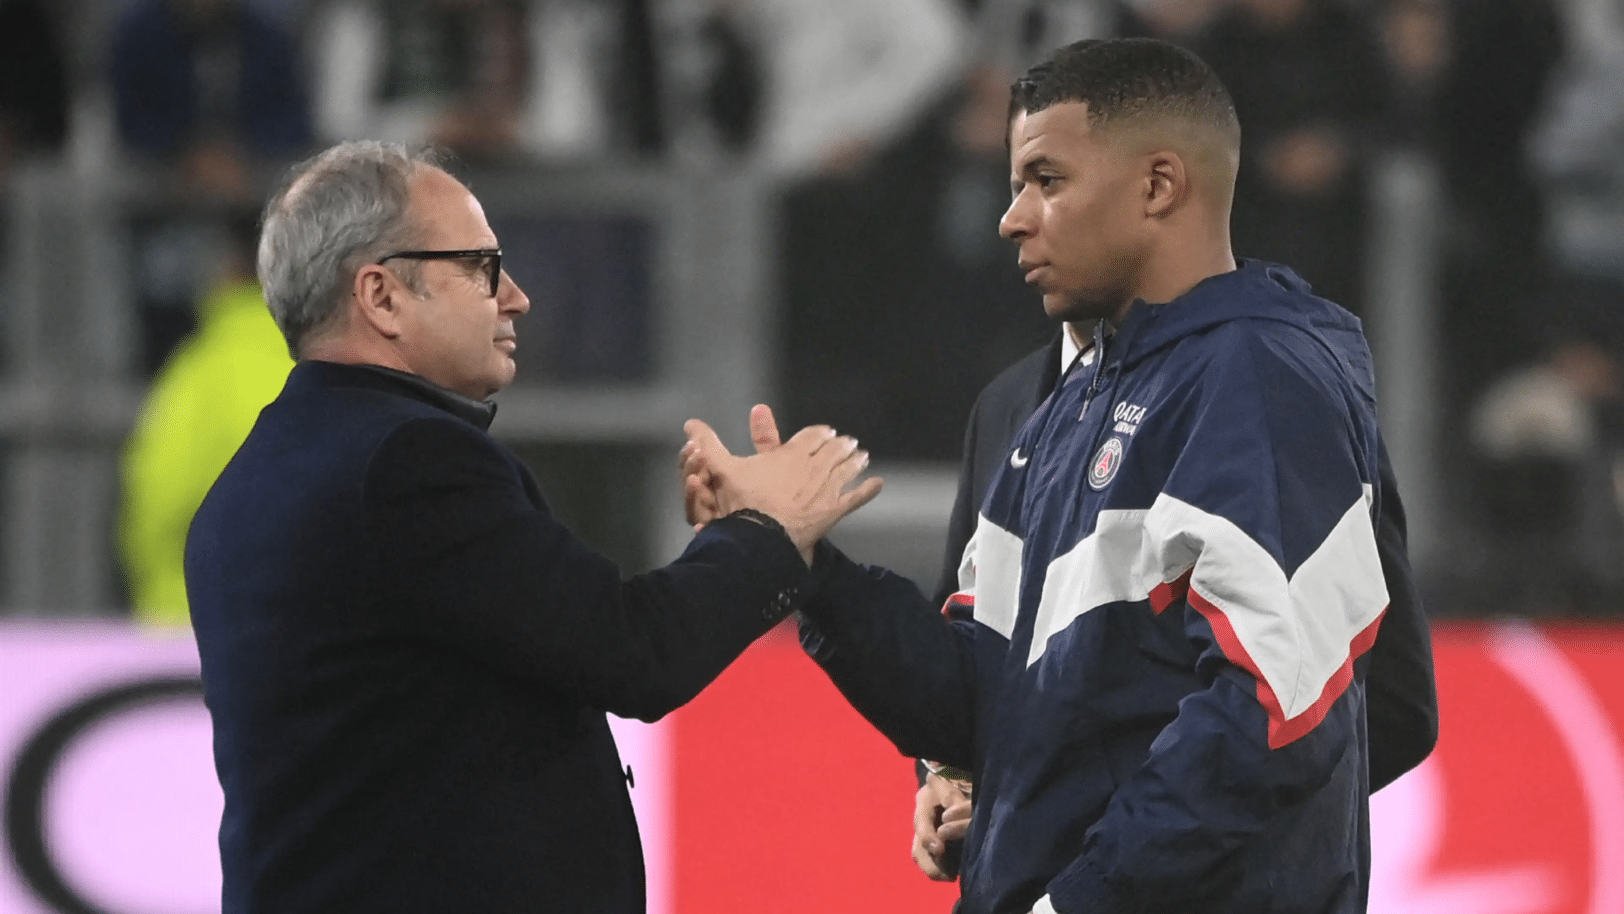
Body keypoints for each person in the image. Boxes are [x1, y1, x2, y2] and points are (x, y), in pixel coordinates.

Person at [687, 38, 1403, 913]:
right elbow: (978, 696)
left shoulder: (1260, 377)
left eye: (1046, 181)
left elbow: (1273, 711)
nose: (1011, 217)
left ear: (1158, 186)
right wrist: (804, 562)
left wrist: (1081, 898)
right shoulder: (1066, 403)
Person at [183, 140, 880, 914]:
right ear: (381, 297)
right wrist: (767, 527)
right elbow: (631, 652)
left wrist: (726, 544)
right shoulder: (408, 462)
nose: (516, 296)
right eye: (481, 267)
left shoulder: (247, 483)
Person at [909, 316, 1439, 883]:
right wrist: (949, 778)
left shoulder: (1272, 381)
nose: (1014, 225)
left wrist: (1160, 842)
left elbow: (1390, 704)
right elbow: (968, 650)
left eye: (1050, 214)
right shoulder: (1005, 403)